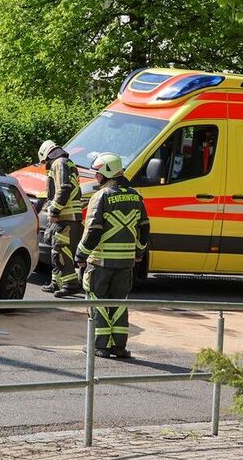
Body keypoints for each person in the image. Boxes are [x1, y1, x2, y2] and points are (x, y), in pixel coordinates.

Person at [75, 152, 150, 359]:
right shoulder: (136, 196)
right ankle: (118, 346)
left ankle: (100, 346)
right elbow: (144, 228)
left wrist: (80, 254)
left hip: (101, 262)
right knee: (119, 303)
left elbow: (93, 230)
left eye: (98, 172)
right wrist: (139, 252)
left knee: (97, 301)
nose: (96, 177)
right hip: (126, 263)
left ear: (107, 172)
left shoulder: (101, 196)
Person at [37, 140, 84, 297]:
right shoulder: (66, 163)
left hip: (65, 216)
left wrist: (54, 211)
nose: (46, 165)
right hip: (70, 216)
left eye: (45, 162)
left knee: (61, 251)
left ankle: (71, 284)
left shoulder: (58, 163)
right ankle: (56, 282)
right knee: (56, 249)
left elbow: (64, 188)